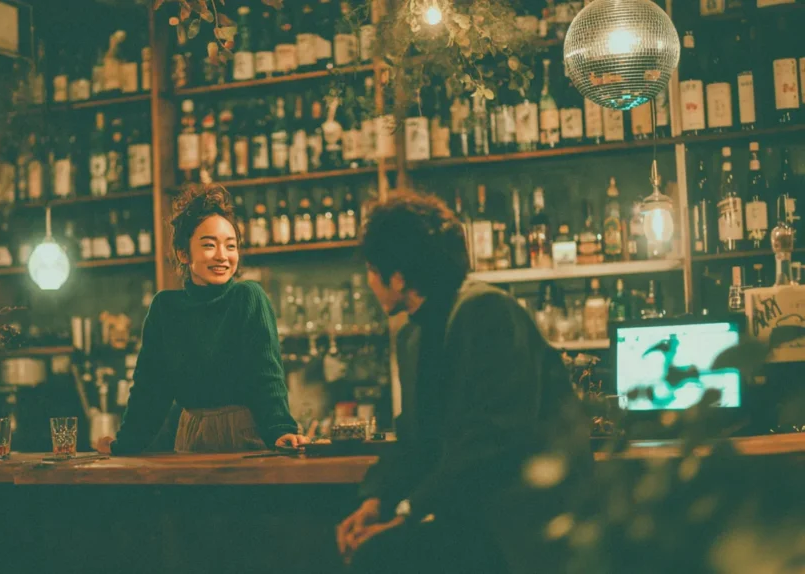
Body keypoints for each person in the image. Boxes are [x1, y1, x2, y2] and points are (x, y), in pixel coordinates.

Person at [335, 192, 591, 573]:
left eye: (372, 269)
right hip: (471, 518)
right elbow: (415, 438)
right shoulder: (413, 335)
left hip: (525, 525)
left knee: (378, 558)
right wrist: (377, 501)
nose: (370, 282)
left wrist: (408, 511)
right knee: (371, 552)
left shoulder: (486, 312)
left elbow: (494, 439)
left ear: (399, 276)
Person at [96, 184, 307, 454]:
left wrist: (281, 429)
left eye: (231, 246)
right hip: (191, 436)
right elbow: (150, 390)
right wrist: (124, 445)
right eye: (209, 245)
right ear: (184, 253)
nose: (222, 255)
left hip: (246, 434)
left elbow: (267, 375)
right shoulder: (165, 308)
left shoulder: (249, 297)